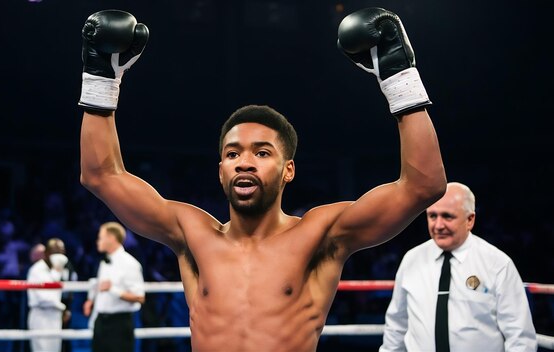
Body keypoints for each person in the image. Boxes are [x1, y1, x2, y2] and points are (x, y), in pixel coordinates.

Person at [78, 7, 446, 352]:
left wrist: (399, 79)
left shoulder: (321, 235)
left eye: (262, 152)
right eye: (233, 154)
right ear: (221, 169)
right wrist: (101, 80)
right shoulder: (191, 233)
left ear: (289, 169)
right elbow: (101, 176)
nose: (245, 163)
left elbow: (422, 187)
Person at [380, 182, 537, 352]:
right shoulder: (412, 260)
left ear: (470, 220)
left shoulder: (497, 264)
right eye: (432, 216)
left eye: (447, 216)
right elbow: (397, 325)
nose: (438, 225)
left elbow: (520, 336)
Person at [83, 221, 146, 352]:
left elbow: (140, 297)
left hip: (119, 324)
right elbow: (101, 285)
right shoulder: (104, 262)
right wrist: (91, 299)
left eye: (100, 237)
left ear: (111, 238)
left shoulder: (130, 264)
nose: (97, 241)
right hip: (100, 322)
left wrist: (113, 290)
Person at [27, 238, 70, 352]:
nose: (59, 255)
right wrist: (63, 308)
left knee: (55, 349)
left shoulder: (58, 270)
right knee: (42, 349)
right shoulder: (37, 270)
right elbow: (44, 298)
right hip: (41, 315)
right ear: (47, 253)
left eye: (61, 251)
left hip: (55, 316)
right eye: (55, 251)